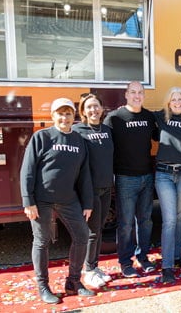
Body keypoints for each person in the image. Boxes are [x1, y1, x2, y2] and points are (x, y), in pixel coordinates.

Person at [20, 97, 94, 304]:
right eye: (60, 113)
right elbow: (28, 170)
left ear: (74, 116)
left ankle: (73, 282)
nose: (64, 117)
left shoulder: (79, 140)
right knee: (42, 242)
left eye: (68, 113)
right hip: (41, 200)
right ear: (53, 116)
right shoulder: (41, 137)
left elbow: (84, 175)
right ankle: (43, 286)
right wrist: (28, 201)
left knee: (82, 236)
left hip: (69, 199)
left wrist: (87, 203)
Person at [103, 81, 158, 278]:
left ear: (144, 95)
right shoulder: (115, 117)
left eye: (140, 92)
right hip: (125, 178)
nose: (137, 96)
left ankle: (143, 257)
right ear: (126, 95)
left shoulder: (148, 117)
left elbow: (162, 136)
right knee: (125, 224)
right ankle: (125, 262)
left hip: (146, 177)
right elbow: (102, 142)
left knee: (145, 221)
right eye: (133, 92)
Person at [153, 87, 181, 283]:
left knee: (180, 218)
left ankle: (178, 257)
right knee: (170, 220)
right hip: (164, 174)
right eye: (174, 100)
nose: (177, 102)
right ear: (168, 103)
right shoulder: (161, 117)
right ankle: (167, 266)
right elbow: (139, 115)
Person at [72, 94, 114, 288]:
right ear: (83, 111)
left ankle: (94, 267)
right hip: (90, 189)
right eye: (89, 107)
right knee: (91, 232)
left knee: (99, 229)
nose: (93, 110)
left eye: (96, 106)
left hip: (106, 187)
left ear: (101, 108)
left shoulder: (106, 130)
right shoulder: (77, 131)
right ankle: (88, 271)